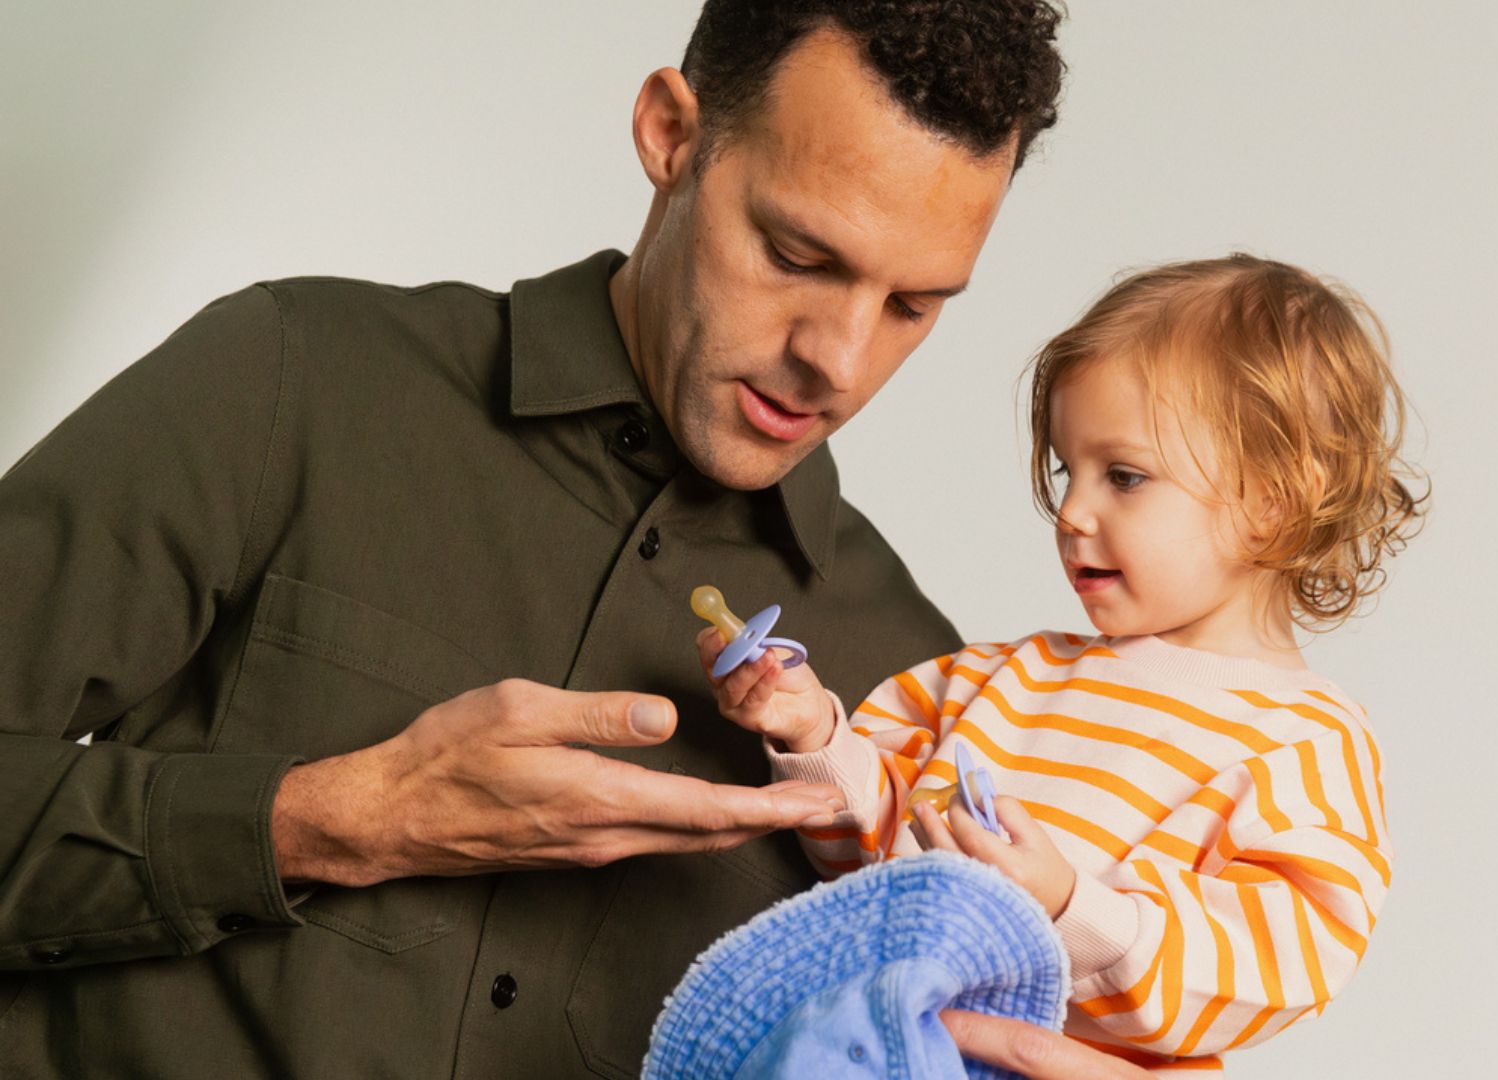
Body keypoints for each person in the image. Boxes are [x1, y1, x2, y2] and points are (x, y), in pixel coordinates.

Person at [0, 3, 1069, 1077]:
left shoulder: (917, 690)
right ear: (669, 133)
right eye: (798, 254)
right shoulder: (297, 381)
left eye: (914, 306)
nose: (837, 360)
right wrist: (335, 820)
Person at [701, 254, 1426, 1073]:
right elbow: (869, 878)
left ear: (1275, 498)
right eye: (1065, 471)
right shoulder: (999, 677)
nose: (1073, 512)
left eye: (1124, 476)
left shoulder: (1302, 741)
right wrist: (813, 735)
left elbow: (1273, 968)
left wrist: (1072, 909)